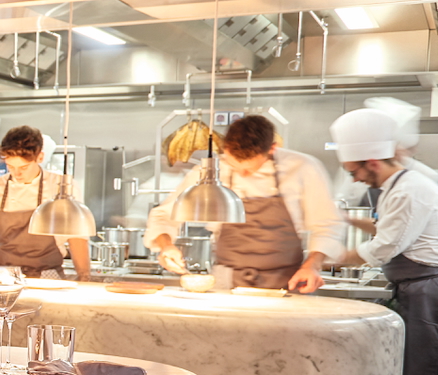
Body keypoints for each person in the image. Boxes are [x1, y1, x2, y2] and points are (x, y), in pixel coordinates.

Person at [332, 108, 438, 375]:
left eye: (355, 172)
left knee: (430, 369)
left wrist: (320, 261)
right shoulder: (397, 187)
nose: (356, 180)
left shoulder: (411, 190)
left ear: (372, 162)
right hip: (414, 287)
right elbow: (383, 227)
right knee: (415, 367)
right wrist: (345, 218)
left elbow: (384, 247)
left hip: (429, 289)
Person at [146, 114, 341, 293]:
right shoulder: (211, 171)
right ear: (226, 149)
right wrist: (166, 246)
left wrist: (312, 266)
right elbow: (163, 214)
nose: (243, 174)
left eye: (249, 169)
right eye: (235, 166)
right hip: (226, 284)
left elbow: (327, 226)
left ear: (272, 149)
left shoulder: (302, 167)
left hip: (287, 284)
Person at [0, 125, 93, 280]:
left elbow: (77, 237)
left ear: (40, 157)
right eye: (10, 166)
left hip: (48, 277)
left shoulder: (62, 188)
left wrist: (84, 275)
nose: (17, 173)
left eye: (24, 167)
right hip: (4, 278)